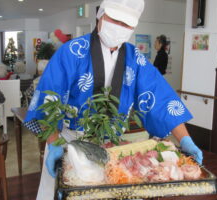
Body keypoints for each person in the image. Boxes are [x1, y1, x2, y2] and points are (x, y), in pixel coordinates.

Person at [24, 0, 203, 199]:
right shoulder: (71, 51)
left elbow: (160, 97)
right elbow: (49, 98)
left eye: (127, 24)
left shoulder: (135, 58)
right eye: (115, 19)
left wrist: (185, 139)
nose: (120, 27)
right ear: (100, 15)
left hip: (110, 146)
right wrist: (54, 142)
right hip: (68, 141)